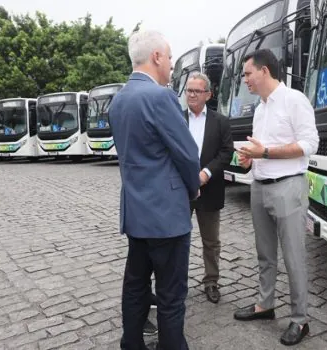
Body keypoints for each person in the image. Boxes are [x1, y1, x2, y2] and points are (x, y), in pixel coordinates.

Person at [109, 29, 200, 350]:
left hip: (135, 213)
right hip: (166, 216)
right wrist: (193, 191)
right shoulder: (160, 97)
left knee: (135, 284)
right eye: (171, 57)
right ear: (157, 57)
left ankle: (131, 343)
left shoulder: (118, 101)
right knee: (171, 293)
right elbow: (188, 155)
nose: (172, 64)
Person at [233, 48, 319, 346]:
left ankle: (300, 320)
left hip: (288, 187)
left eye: (247, 73)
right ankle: (265, 305)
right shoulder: (260, 108)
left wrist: (265, 152)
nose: (245, 79)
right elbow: (262, 149)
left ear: (264, 71)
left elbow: (310, 143)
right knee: (265, 253)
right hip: (259, 185)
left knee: (294, 257)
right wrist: (251, 159)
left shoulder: (295, 100)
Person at [183, 72, 234, 303]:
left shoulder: (220, 121)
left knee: (211, 241)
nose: (191, 95)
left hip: (210, 189)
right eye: (188, 90)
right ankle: (176, 281)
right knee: (177, 239)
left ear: (208, 94)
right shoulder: (176, 118)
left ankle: (211, 281)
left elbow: (226, 153)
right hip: (181, 190)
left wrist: (205, 174)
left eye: (196, 91)